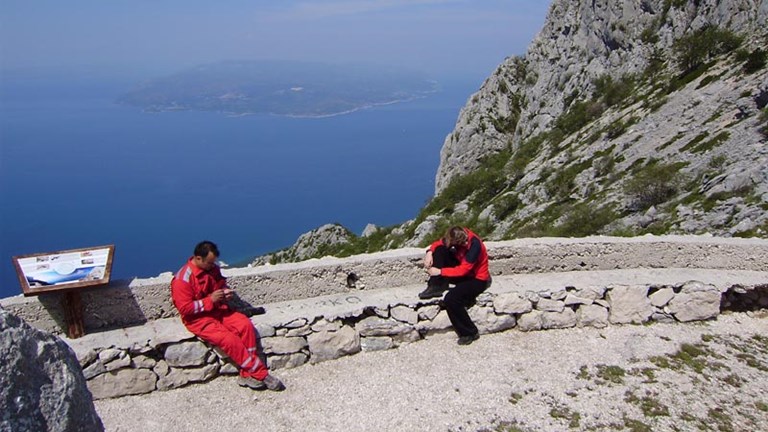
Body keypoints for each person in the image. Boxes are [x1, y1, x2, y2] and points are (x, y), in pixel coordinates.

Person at [170, 240, 285, 391]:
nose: (213, 265)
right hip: (199, 319)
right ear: (198, 258)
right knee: (229, 340)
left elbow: (220, 284)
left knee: (245, 326)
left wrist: (224, 292)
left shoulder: (212, 269)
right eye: (210, 263)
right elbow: (185, 308)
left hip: (219, 311)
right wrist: (210, 300)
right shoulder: (182, 280)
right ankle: (261, 374)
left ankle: (246, 374)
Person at [418, 226, 491, 345]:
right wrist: (429, 252)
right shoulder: (454, 236)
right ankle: (437, 286)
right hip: (462, 268)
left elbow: (464, 270)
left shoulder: (475, 245)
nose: (465, 244)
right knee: (440, 250)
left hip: (477, 279)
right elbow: (439, 243)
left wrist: (440, 272)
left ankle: (470, 332)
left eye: (465, 242)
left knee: (451, 298)